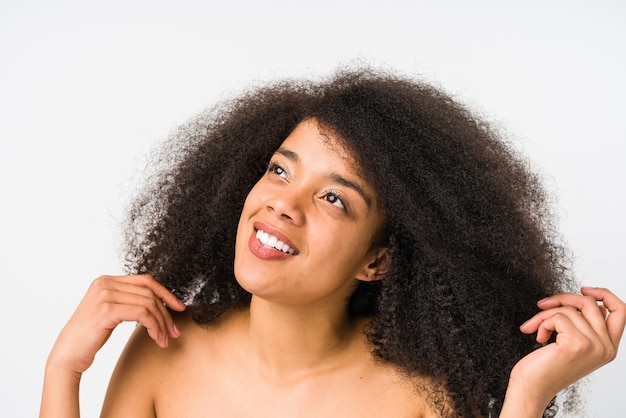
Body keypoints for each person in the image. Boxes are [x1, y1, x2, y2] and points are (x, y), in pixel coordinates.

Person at [40, 68, 625, 417]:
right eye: (279, 170)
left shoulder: (424, 396)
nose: (282, 204)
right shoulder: (164, 349)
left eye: (335, 198)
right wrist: (63, 370)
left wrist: (525, 397)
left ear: (379, 259)